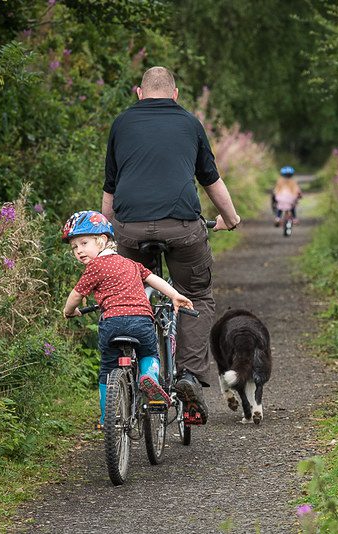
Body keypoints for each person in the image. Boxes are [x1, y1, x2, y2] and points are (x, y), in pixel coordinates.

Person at [101, 66, 241, 425]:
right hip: (181, 227)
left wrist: (107, 236)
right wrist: (231, 218)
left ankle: (137, 367)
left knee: (130, 293)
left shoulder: (121, 123)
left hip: (129, 228)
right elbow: (210, 179)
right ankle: (188, 376)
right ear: (175, 94)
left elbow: (110, 188)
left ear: (138, 93)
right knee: (196, 293)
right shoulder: (190, 123)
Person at [61, 210, 194, 428]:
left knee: (107, 368)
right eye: (75, 247)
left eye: (84, 243)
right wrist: (174, 295)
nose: (79, 250)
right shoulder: (130, 264)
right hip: (141, 320)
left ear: (102, 240)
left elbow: (76, 295)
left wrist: (68, 311)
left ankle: (107, 418)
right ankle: (149, 377)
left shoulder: (94, 267)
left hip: (112, 322)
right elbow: (154, 280)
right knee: (149, 353)